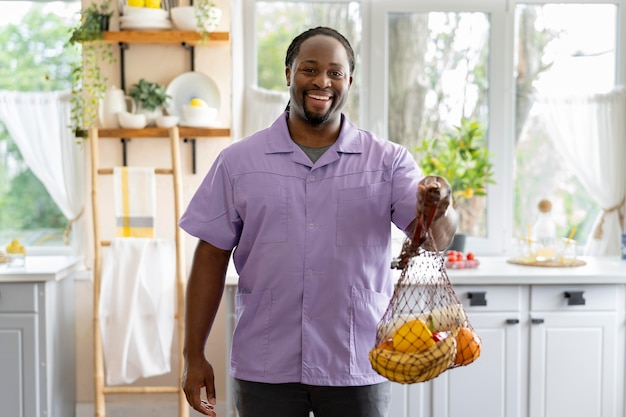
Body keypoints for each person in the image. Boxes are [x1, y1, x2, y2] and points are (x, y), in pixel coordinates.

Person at [179, 26, 458, 417]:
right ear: (289, 73)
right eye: (309, 69)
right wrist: (194, 355)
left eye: (335, 72)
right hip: (266, 364)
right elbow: (209, 257)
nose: (322, 81)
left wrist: (443, 203)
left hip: (358, 361)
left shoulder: (388, 160)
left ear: (349, 81)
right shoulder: (238, 162)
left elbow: (433, 238)